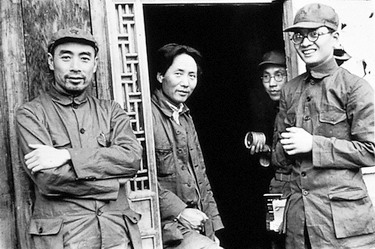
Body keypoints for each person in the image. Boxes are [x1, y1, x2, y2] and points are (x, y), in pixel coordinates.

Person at [16, 27, 143, 249]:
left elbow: (131, 159)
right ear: (50, 61)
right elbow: (49, 180)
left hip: (117, 234)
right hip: (66, 238)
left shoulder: (112, 110)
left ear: (94, 65)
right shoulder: (31, 114)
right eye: (66, 57)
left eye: (84, 58)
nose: (75, 67)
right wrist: (114, 184)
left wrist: (66, 155)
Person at [272, 3, 375, 248]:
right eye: (299, 36)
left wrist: (312, 144)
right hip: (300, 226)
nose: (305, 43)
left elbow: (371, 149)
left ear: (335, 36)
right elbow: (280, 158)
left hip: (344, 228)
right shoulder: (289, 90)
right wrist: (281, 148)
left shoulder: (355, 88)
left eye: (314, 34)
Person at [151, 43, 224, 248]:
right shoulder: (145, 116)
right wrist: (179, 211)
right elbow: (141, 181)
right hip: (165, 225)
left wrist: (212, 227)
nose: (186, 83)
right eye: (179, 74)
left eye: (192, 76)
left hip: (195, 225)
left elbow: (201, 176)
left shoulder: (185, 116)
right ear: (160, 76)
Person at [245, 50, 289, 249]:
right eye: (266, 77)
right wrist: (263, 151)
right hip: (273, 190)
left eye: (279, 75)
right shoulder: (264, 110)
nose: (272, 83)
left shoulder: (298, 108)